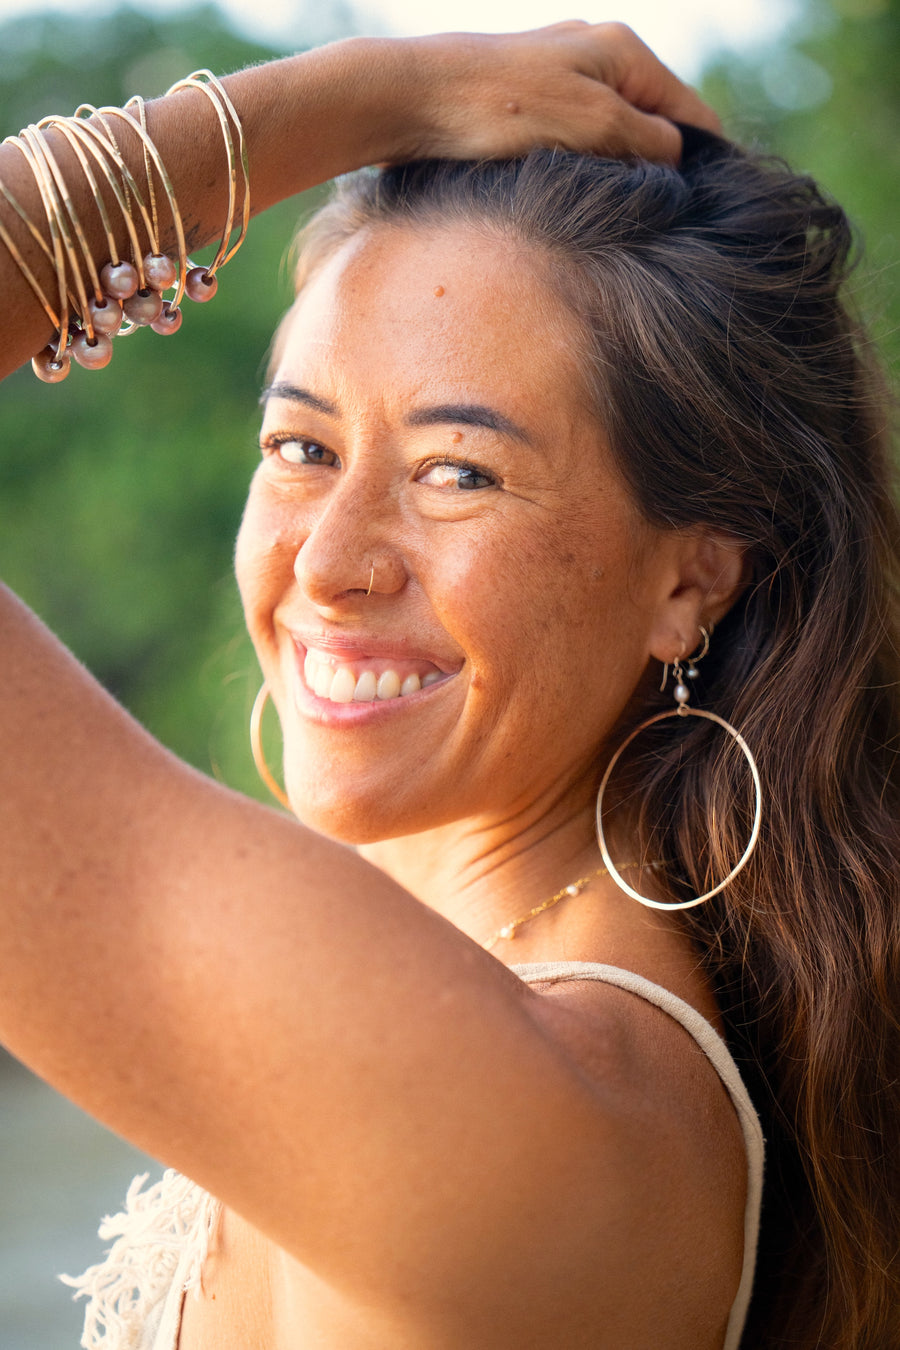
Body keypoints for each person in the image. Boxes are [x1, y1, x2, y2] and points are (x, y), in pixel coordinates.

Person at [0, 20, 897, 1350]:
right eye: (300, 446)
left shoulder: (517, 1104)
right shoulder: (541, 1036)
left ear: (691, 579)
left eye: (457, 473)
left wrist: (362, 98)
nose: (328, 561)